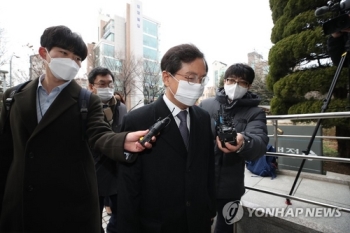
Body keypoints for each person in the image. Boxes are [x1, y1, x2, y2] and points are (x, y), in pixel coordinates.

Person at [0, 25, 154, 233]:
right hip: (20, 202)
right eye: (64, 53)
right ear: (44, 53)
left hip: (67, 203)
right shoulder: (12, 96)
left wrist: (122, 141)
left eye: (77, 58)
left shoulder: (86, 99)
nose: (71, 62)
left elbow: (99, 133)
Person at [116, 43, 216, 233]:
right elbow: (128, 185)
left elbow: (208, 168)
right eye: (190, 78)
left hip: (198, 221)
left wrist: (210, 207)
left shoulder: (203, 119)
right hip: (156, 225)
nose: (197, 86)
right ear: (166, 78)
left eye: (201, 79)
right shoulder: (138, 120)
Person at [199, 63, 269, 233]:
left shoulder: (255, 112)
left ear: (249, 86)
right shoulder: (206, 105)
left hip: (231, 184)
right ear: (224, 81)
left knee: (225, 226)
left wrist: (242, 142)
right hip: (203, 181)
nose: (235, 85)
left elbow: (259, 141)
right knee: (200, 223)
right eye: (231, 80)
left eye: (242, 82)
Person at [87, 67, 127, 233]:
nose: (107, 88)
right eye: (101, 84)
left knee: (122, 214)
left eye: (110, 84)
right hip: (93, 171)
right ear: (91, 86)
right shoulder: (84, 108)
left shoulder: (121, 108)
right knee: (92, 217)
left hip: (117, 170)